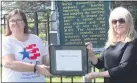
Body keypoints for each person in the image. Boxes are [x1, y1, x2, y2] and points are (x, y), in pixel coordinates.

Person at [85, 7, 137, 83]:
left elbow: (124, 68)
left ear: (128, 23)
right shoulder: (112, 43)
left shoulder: (133, 43)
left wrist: (98, 75)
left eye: (121, 21)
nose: (117, 24)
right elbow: (100, 64)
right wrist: (91, 53)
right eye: (114, 21)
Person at [2, 9, 52, 82]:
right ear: (8, 24)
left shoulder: (36, 39)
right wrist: (36, 68)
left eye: (19, 20)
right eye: (12, 21)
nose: (15, 23)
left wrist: (53, 54)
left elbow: (45, 60)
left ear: (24, 23)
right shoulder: (6, 41)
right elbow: (9, 63)